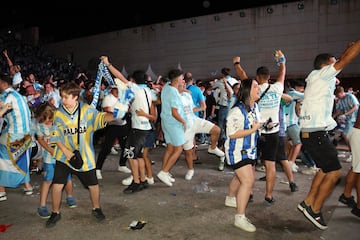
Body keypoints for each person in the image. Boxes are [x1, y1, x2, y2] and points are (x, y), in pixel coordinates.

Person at [297, 39, 360, 230]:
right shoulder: (321, 74)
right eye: (334, 63)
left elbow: (343, 57)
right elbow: (345, 59)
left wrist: (350, 47)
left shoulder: (318, 77)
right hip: (315, 133)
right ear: (326, 66)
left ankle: (308, 202)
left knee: (325, 169)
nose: (337, 65)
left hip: (314, 132)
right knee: (334, 173)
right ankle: (314, 209)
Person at [46, 81, 118, 227]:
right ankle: (55, 212)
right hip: (64, 157)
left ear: (75, 97)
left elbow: (102, 118)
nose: (63, 100)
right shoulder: (58, 113)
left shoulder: (87, 110)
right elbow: (55, 135)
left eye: (66, 97)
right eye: (62, 97)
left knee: (93, 185)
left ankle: (96, 208)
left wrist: (118, 113)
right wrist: (65, 151)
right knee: (57, 185)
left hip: (85, 157)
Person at [101, 56, 155, 193]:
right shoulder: (147, 91)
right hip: (145, 128)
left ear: (133, 80)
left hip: (138, 129)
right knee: (139, 155)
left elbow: (118, 75)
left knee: (131, 156)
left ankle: (136, 182)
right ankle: (142, 180)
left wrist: (108, 64)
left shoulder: (135, 88)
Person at [224, 78, 261, 232]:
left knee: (239, 177)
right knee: (248, 181)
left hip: (250, 149)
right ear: (247, 91)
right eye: (255, 86)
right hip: (237, 151)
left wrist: (262, 126)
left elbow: (255, 124)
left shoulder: (255, 107)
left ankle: (230, 198)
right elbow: (232, 134)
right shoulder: (236, 111)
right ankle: (240, 217)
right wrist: (253, 130)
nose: (259, 88)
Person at [34, 103, 77, 218]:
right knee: (48, 179)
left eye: (49, 120)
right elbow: (40, 139)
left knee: (67, 178)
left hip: (63, 157)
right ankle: (42, 206)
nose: (47, 123)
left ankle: (69, 196)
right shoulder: (40, 125)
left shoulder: (61, 122)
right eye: (45, 121)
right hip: (49, 157)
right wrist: (49, 150)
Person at [0, 73, 33, 202]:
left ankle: (1, 190)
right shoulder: (18, 95)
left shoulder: (7, 97)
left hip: (14, 136)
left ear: (4, 83)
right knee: (21, 159)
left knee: (2, 160)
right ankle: (27, 186)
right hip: (27, 136)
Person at [157, 69, 187, 187]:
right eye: (182, 78)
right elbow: (175, 112)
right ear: (177, 80)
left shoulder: (166, 87)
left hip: (166, 122)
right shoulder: (173, 92)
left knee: (170, 148)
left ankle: (165, 171)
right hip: (174, 123)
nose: (183, 80)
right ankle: (164, 172)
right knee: (179, 149)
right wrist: (183, 121)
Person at [95, 85, 131, 180]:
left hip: (123, 124)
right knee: (106, 148)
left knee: (126, 147)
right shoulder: (108, 98)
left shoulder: (122, 97)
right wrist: (121, 111)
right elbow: (107, 109)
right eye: (116, 89)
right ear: (112, 90)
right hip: (112, 125)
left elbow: (128, 108)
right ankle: (97, 169)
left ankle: (122, 165)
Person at [348, 107, 360, 217]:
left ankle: (346, 195)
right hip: (359, 134)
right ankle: (359, 207)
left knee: (355, 168)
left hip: (357, 133)